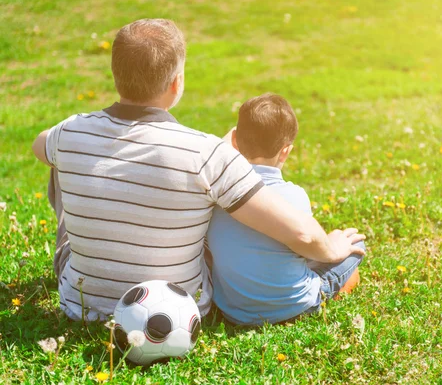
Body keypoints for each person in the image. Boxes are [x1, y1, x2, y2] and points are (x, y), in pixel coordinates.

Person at [31, 19, 366, 321]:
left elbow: (39, 145)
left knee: (57, 159)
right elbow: (303, 235)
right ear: (176, 83)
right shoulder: (206, 155)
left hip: (82, 304)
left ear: (116, 75)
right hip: (177, 307)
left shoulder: (70, 132)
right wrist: (332, 248)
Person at [206, 93, 365, 326]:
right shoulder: (294, 195)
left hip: (233, 311)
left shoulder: (219, 191)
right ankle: (330, 292)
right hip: (292, 307)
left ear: (235, 141)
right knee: (355, 245)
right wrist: (331, 245)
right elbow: (306, 247)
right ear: (286, 151)